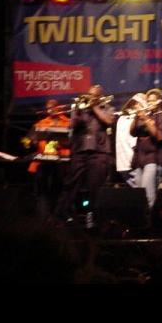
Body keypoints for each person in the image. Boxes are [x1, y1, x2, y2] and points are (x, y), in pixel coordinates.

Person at [55, 85, 115, 222]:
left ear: (100, 97)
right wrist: (78, 110)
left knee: (96, 186)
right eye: (90, 95)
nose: (91, 98)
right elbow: (72, 125)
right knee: (71, 183)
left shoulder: (107, 108)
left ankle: (95, 217)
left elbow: (109, 121)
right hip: (80, 150)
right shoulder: (79, 107)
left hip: (99, 152)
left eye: (95, 96)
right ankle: (62, 213)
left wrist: (95, 107)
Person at [24, 99, 70, 219]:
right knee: (42, 189)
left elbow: (74, 141)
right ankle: (43, 218)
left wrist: (62, 142)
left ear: (59, 108)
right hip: (43, 161)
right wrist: (29, 142)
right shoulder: (41, 123)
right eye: (48, 107)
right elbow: (26, 140)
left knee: (60, 188)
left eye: (53, 106)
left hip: (61, 161)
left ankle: (59, 216)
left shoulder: (68, 123)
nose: (50, 109)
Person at [130, 88, 162, 209]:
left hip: (154, 159)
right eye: (148, 101)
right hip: (139, 160)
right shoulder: (145, 115)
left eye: (152, 101)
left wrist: (145, 119)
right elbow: (132, 132)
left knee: (148, 195)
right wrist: (136, 117)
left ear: (159, 102)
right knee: (138, 196)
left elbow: (159, 136)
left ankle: (151, 219)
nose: (149, 103)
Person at [114, 92, 147, 187]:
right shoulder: (133, 120)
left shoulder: (121, 118)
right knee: (143, 191)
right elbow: (133, 143)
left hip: (122, 165)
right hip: (132, 164)